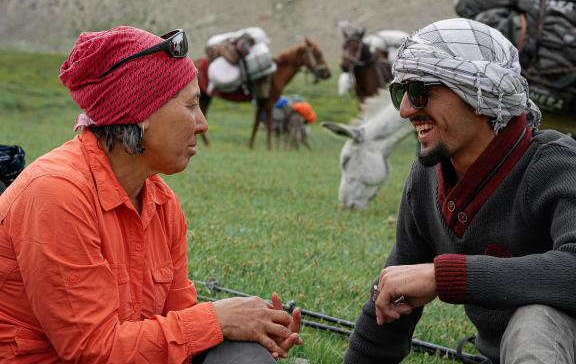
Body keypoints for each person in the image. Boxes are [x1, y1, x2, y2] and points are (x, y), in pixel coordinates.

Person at [0, 26, 302, 363]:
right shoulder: (56, 194)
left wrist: (254, 329)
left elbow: (179, 321)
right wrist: (216, 318)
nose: (202, 124)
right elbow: (93, 351)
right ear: (141, 115)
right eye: (191, 106)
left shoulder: (161, 202)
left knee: (245, 354)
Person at [344, 18, 576, 364]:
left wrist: (445, 276)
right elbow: (393, 299)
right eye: (401, 93)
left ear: (479, 93)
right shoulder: (427, 177)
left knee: (536, 318)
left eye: (420, 91)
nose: (406, 109)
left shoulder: (556, 165)